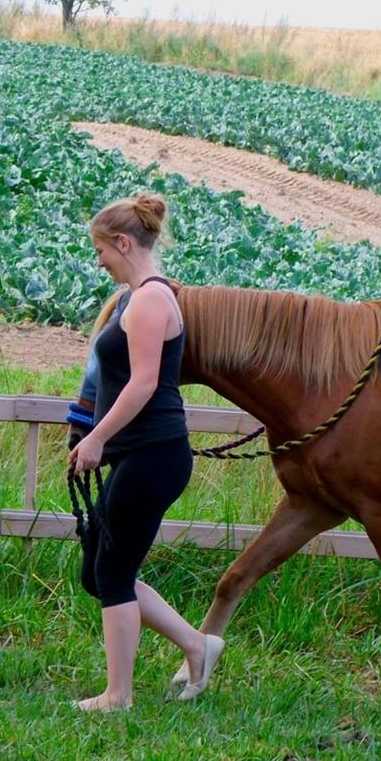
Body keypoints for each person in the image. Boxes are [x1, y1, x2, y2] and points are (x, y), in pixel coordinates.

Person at [69, 192, 222, 711]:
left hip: (154, 455)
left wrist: (95, 438)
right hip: (140, 455)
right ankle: (198, 645)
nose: (100, 261)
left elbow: (143, 384)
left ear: (124, 242)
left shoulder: (153, 299)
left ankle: (118, 695)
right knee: (102, 572)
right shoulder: (138, 298)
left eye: (102, 250)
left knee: (111, 572)